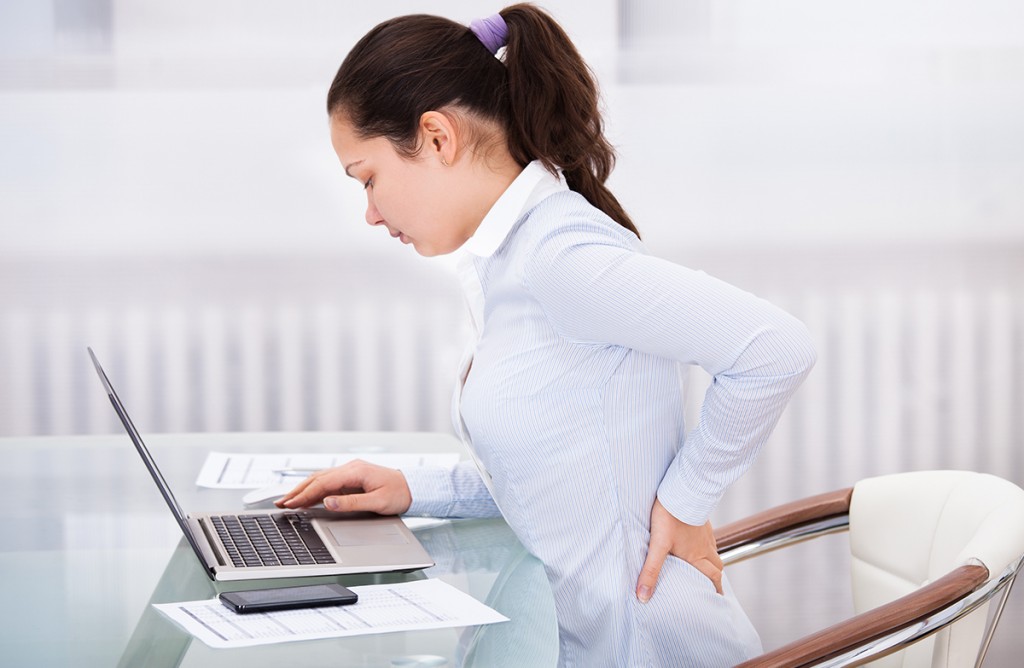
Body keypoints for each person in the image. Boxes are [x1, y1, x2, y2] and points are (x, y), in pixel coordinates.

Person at [278, 4, 817, 666]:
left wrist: (685, 499)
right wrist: (415, 488)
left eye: (369, 178)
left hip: (637, 647)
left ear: (437, 138)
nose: (369, 212)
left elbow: (775, 350)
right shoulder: (509, 259)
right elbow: (556, 474)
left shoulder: (560, 259)